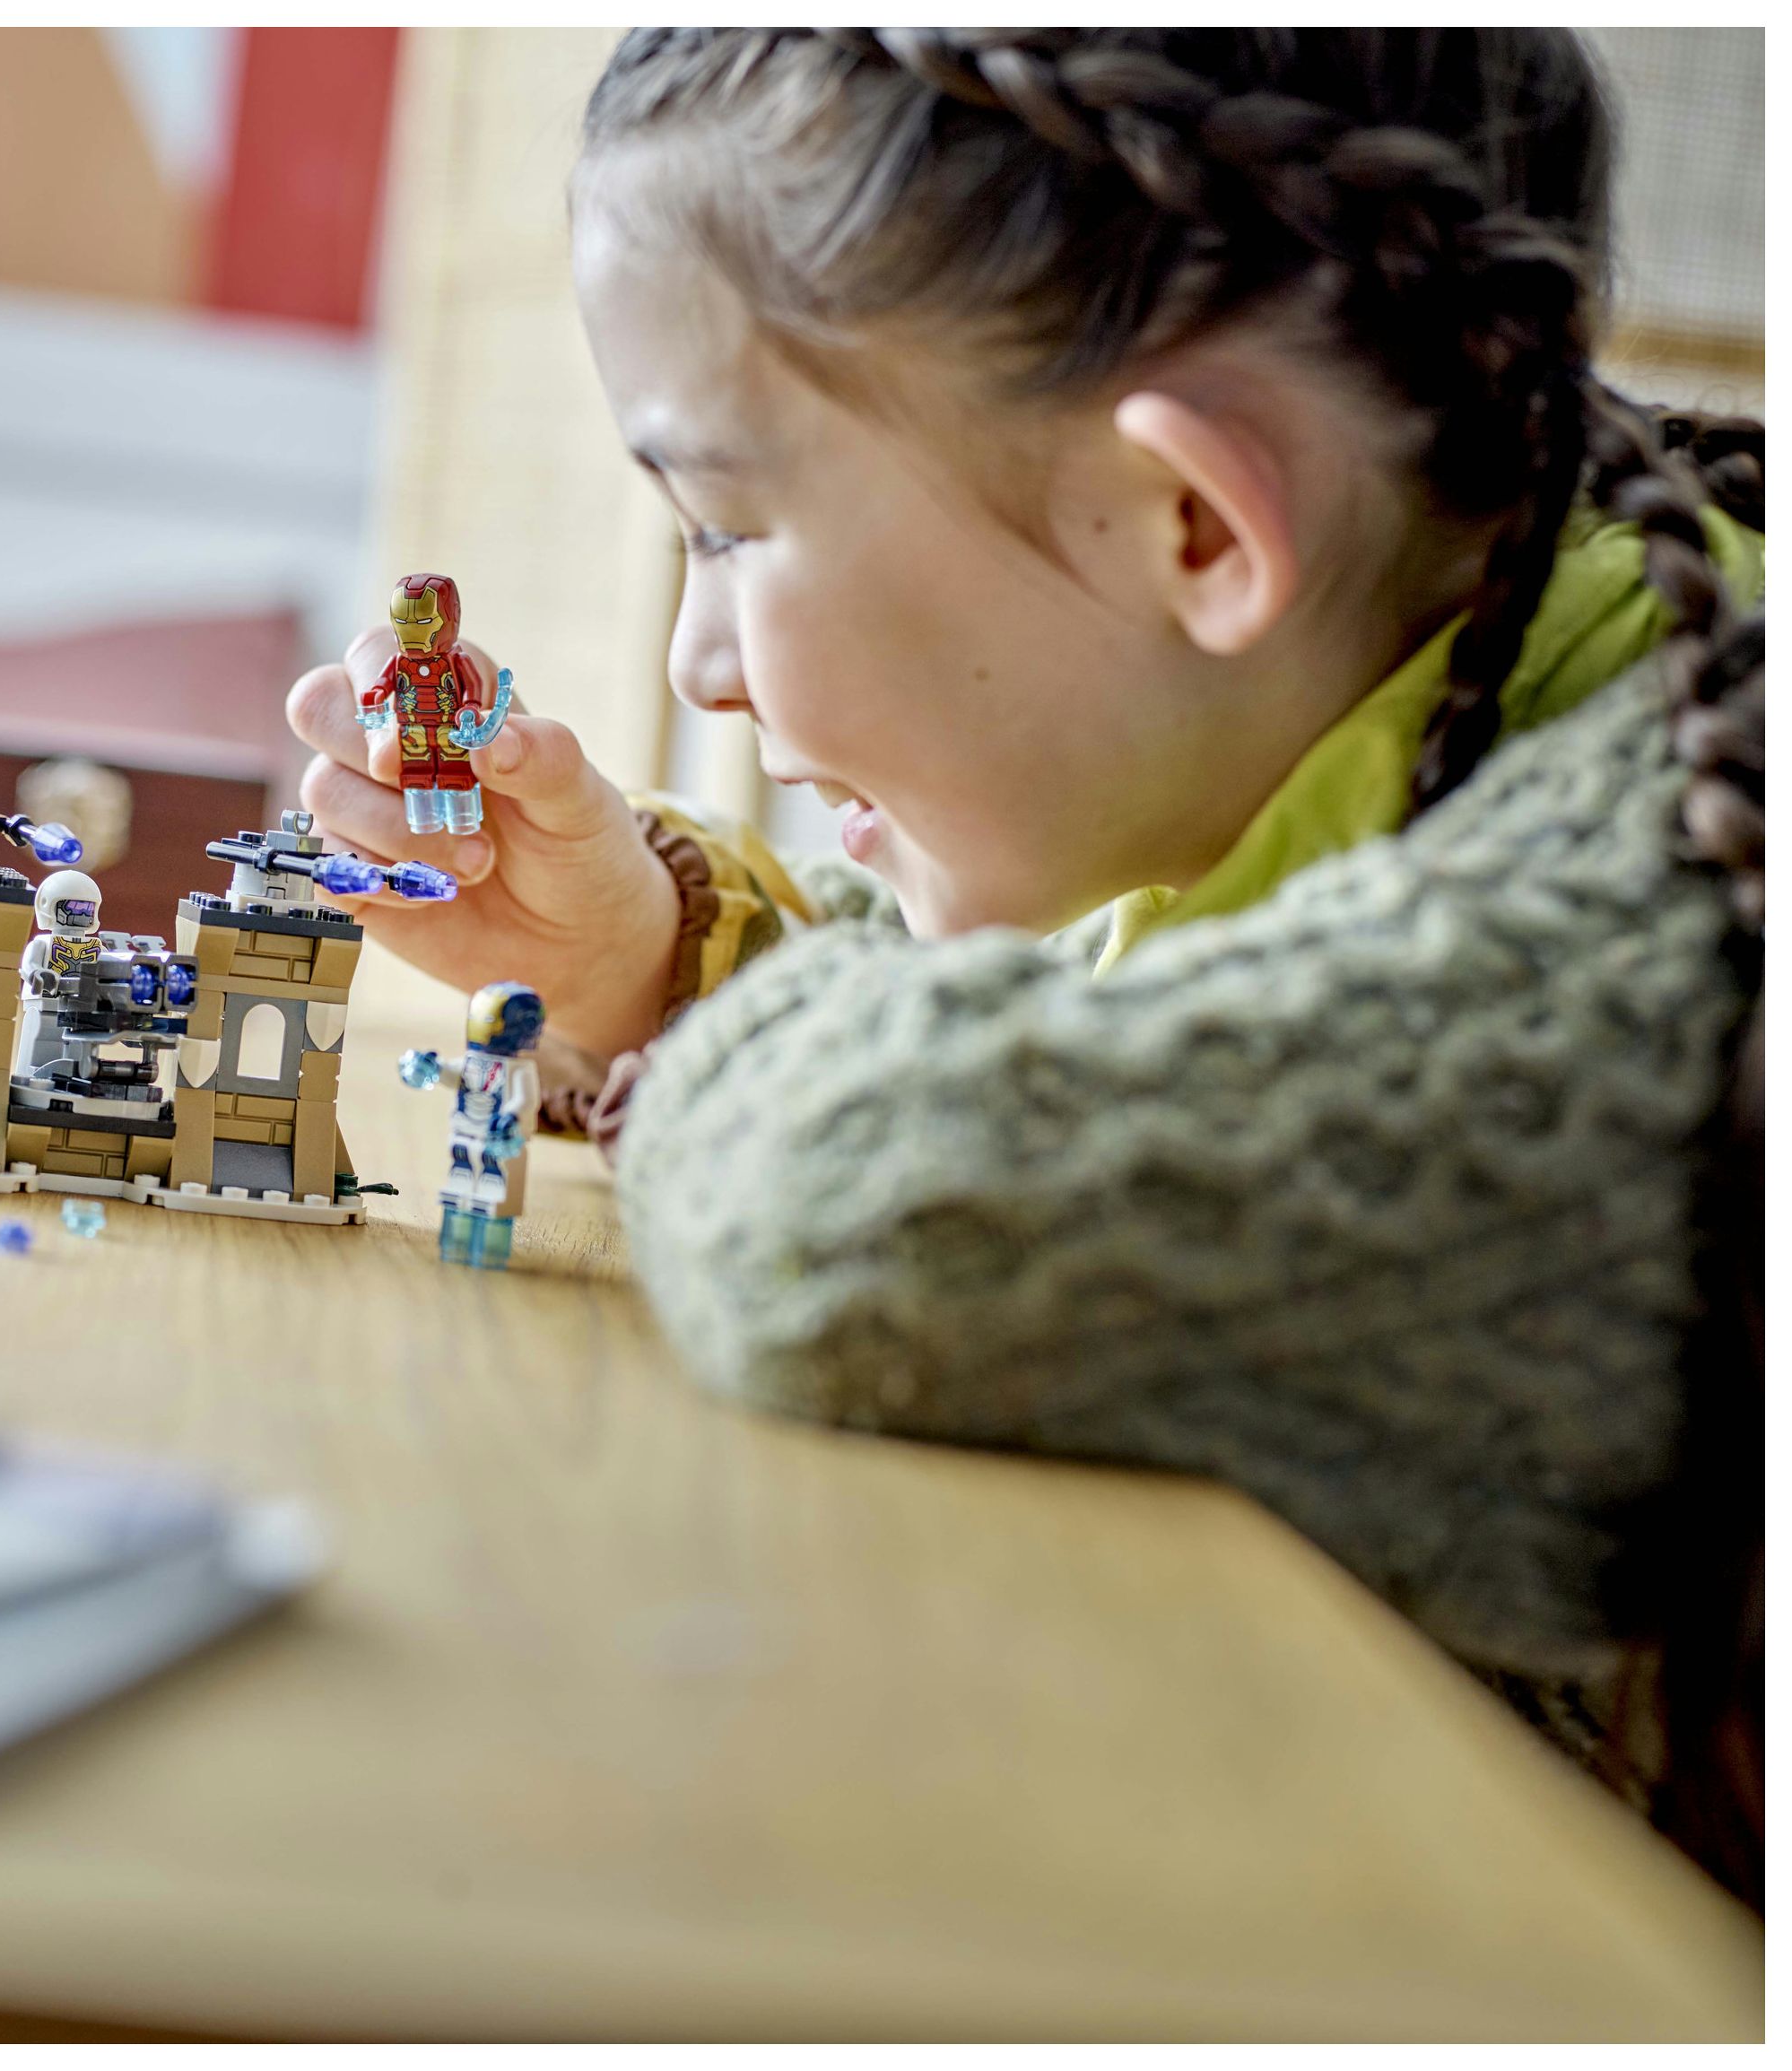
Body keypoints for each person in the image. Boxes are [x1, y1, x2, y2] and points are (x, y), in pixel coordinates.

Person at [284, 30, 1764, 1898]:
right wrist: (661, 966)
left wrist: (730, 1041)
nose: (696, 665)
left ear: (1192, 525)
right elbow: (1152, 1092)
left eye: (729, 527)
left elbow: (891, 1203)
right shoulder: (1433, 716)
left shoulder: (1693, 893)